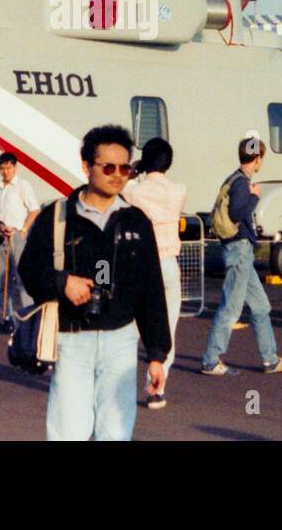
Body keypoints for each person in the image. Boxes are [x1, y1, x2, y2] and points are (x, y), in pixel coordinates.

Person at [19, 125, 171, 441]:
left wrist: (157, 354)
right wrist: (62, 282)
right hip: (73, 340)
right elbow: (29, 269)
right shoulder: (58, 216)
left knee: (116, 433)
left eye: (125, 168)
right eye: (109, 167)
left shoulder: (135, 221)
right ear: (87, 166)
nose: (118, 175)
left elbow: (151, 290)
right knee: (68, 432)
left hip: (120, 341)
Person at [201, 137, 282, 376]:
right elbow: (237, 213)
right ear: (257, 158)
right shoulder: (243, 184)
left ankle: (270, 359)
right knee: (231, 306)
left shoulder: (231, 179)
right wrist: (254, 196)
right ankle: (211, 360)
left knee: (261, 306)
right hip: (239, 250)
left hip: (239, 251)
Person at [121, 137, 187, 409]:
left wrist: (134, 172)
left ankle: (114, 383)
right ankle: (156, 388)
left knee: (130, 327)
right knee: (166, 327)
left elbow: (121, 188)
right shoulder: (179, 190)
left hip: (141, 262)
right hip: (169, 262)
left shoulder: (134, 191)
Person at [0, 151, 39, 330]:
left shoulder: (23, 186)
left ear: (15, 167)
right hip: (0, 237)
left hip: (17, 236)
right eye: (2, 168)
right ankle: (4, 317)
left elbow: (34, 210)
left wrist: (24, 229)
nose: (5, 172)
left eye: (9, 167)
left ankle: (27, 317)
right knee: (2, 280)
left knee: (21, 279)